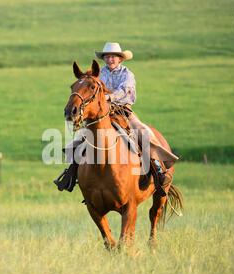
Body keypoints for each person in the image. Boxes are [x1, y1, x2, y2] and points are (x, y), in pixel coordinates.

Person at [54, 42, 179, 194]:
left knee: (143, 132)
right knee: (80, 140)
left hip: (123, 111)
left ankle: (158, 170)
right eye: (107, 56)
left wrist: (108, 96)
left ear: (120, 59)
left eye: (113, 56)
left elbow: (126, 91)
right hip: (102, 114)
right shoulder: (99, 74)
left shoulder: (127, 74)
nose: (110, 59)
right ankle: (71, 175)